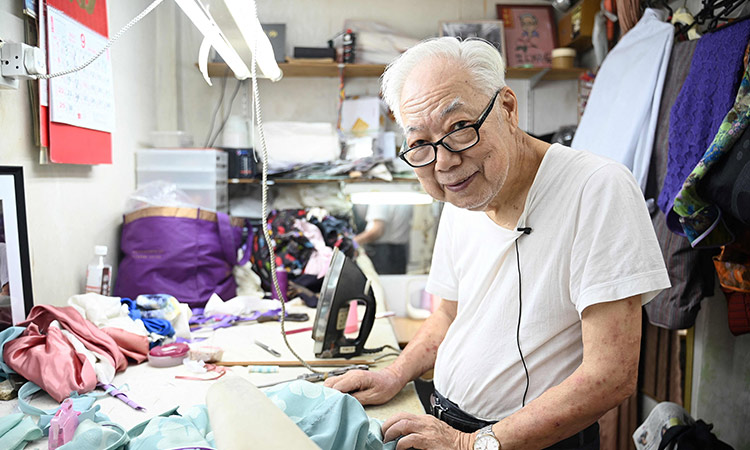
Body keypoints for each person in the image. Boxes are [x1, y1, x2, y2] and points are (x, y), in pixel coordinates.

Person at [325, 37, 670, 450]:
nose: (445, 162)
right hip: (444, 419)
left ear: (507, 107)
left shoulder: (597, 188)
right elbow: (449, 315)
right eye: (420, 144)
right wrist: (394, 374)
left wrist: (471, 445)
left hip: (528, 440)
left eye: (459, 128)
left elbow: (610, 375)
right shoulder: (463, 194)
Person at [354, 204, 413, 274]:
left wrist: (353, 242)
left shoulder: (380, 199)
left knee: (381, 282)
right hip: (400, 251)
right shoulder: (405, 198)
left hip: (383, 253)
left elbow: (378, 231)